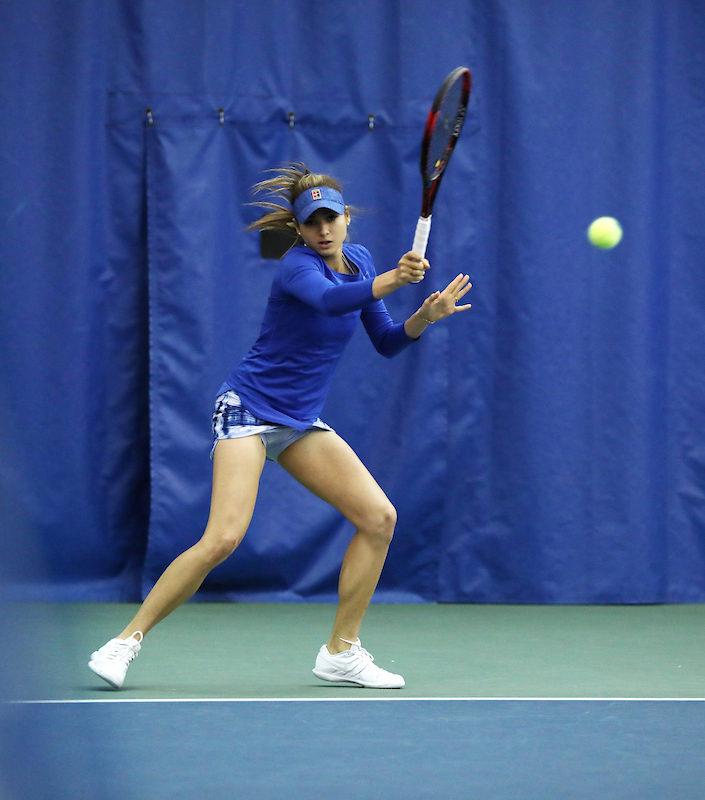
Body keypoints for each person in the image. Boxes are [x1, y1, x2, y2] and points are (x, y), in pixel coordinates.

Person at [88, 163, 472, 690]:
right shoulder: (296, 268)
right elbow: (329, 300)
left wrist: (425, 315)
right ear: (297, 227)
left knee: (379, 518)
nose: (323, 231)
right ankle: (124, 643)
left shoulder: (359, 262)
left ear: (345, 221)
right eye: (311, 222)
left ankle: (342, 652)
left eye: (330, 219)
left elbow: (385, 340)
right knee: (223, 538)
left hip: (298, 421)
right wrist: (393, 279)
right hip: (247, 409)